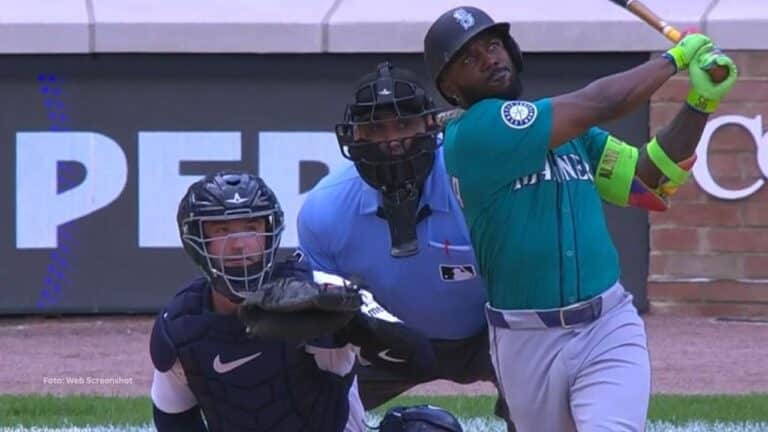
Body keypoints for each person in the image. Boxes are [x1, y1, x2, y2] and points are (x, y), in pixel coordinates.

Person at [423, 6, 738, 432]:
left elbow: (647, 178)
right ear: (451, 89)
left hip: (607, 324)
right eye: (468, 58)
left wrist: (701, 102)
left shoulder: (568, 133)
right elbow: (602, 102)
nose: (488, 59)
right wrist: (674, 59)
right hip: (525, 339)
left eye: (492, 45)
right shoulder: (473, 135)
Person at [297, 61, 515, 430]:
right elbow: (324, 323)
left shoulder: (479, 183)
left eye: (404, 124)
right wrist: (372, 330)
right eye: (376, 128)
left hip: (492, 334)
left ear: (431, 125)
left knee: (550, 385)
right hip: (388, 341)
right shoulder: (324, 210)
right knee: (300, 402)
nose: (392, 140)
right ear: (355, 136)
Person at [149, 170, 436, 432]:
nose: (239, 244)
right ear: (197, 240)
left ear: (269, 233)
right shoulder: (182, 326)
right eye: (222, 231)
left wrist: (353, 325)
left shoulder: (324, 291)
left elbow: (419, 360)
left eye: (251, 228)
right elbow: (174, 419)